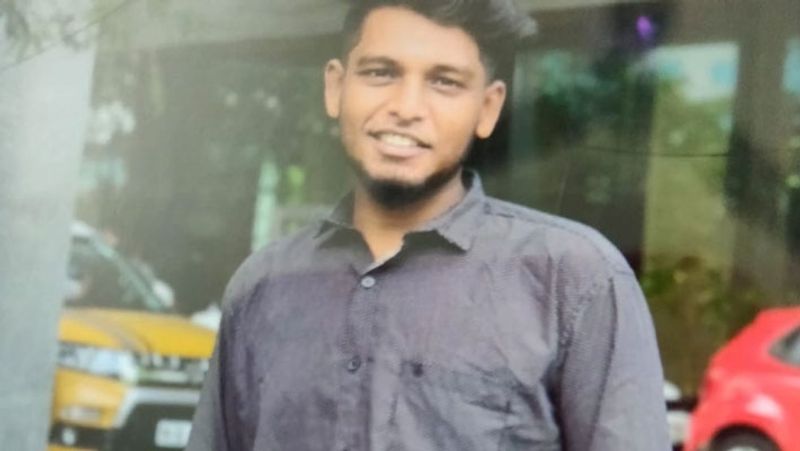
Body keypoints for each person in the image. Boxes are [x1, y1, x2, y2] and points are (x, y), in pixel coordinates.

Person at [187, 1, 670, 450]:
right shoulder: (263, 286)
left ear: (487, 108)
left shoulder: (573, 280)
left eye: (445, 82)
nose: (407, 106)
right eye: (381, 73)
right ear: (335, 87)